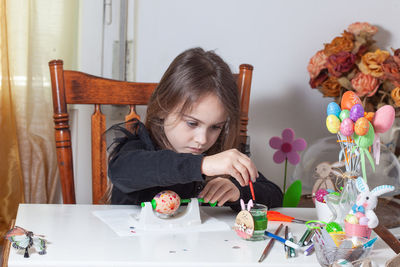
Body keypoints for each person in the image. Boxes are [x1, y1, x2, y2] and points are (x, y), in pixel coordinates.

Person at [107, 47, 283, 211]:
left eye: (215, 127)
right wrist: (202, 165)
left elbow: (274, 194)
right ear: (163, 108)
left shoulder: (214, 153)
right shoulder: (138, 149)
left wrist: (237, 192)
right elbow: (121, 171)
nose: (203, 139)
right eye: (192, 123)